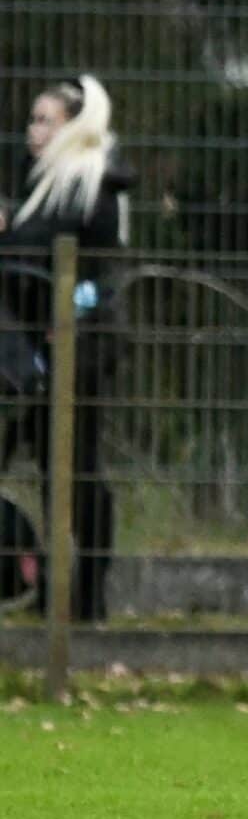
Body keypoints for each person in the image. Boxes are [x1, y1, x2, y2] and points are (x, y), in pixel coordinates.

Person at [0, 75, 135, 622]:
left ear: (75, 125)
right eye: (32, 119)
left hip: (80, 348)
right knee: (54, 469)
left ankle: (88, 594)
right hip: (45, 351)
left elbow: (44, 244)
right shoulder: (52, 178)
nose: (34, 131)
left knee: (75, 469)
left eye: (45, 120)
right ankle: (60, 591)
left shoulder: (88, 177)